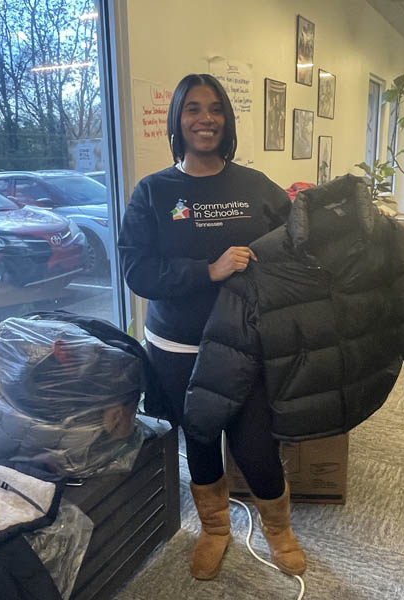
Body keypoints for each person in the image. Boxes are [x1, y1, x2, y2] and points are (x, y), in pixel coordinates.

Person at [118, 73, 304, 580]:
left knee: (256, 445)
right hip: (177, 347)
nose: (206, 119)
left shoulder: (255, 187)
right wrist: (209, 270)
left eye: (216, 108)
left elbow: (296, 244)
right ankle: (215, 528)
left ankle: (279, 531)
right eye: (194, 109)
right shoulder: (154, 192)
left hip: (243, 344)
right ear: (177, 119)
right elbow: (138, 272)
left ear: (228, 119)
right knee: (199, 440)